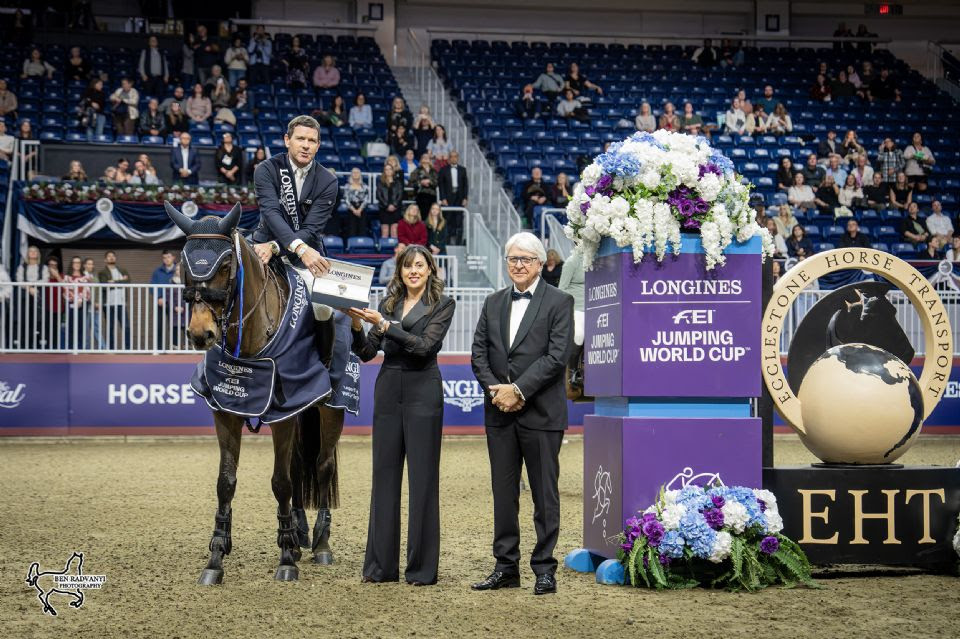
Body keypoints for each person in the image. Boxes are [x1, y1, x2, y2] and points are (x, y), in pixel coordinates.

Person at [470, 232, 574, 596]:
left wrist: (517, 390)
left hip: (542, 414)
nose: (518, 265)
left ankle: (544, 568)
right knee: (503, 494)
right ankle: (506, 567)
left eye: (525, 259)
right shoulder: (492, 302)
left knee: (544, 495)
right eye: (512, 259)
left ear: (540, 263)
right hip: (499, 413)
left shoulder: (560, 301)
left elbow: (556, 356)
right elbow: (478, 354)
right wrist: (497, 392)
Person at [348, 244, 455, 585]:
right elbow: (367, 352)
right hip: (388, 391)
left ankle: (421, 569)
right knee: (384, 477)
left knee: (423, 480)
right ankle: (381, 567)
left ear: (430, 269)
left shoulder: (443, 304)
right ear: (400, 271)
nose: (413, 271)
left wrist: (384, 325)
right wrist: (356, 325)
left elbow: (425, 348)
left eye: (420, 265)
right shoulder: (388, 304)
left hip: (424, 391)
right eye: (408, 266)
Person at [251, 115, 339, 300]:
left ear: (318, 146)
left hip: (305, 255)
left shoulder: (328, 181)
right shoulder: (266, 169)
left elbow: (311, 229)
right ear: (287, 140)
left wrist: (276, 247)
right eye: (300, 138)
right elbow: (271, 213)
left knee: (323, 309)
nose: (306, 145)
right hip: (263, 247)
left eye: (312, 141)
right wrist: (298, 247)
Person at [15, 245, 48, 349]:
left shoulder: (43, 267)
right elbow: (19, 280)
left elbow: (45, 280)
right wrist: (29, 288)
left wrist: (32, 286)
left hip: (38, 296)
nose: (33, 253)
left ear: (38, 254)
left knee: (38, 320)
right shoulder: (22, 267)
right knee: (25, 319)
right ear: (27, 254)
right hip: (24, 297)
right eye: (31, 251)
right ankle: (24, 344)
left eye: (35, 251)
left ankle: (37, 345)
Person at [150, 249, 183, 349]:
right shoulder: (157, 271)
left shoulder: (179, 270)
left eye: (168, 257)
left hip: (175, 304)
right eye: (164, 258)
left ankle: (175, 347)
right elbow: (152, 286)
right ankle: (159, 348)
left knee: (175, 325)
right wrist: (159, 297)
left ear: (173, 257)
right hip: (161, 303)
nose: (166, 259)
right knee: (159, 325)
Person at [98, 251, 131, 350]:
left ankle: (128, 349)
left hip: (121, 303)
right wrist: (121, 281)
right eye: (109, 256)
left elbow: (128, 282)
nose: (111, 257)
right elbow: (104, 286)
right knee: (110, 327)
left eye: (113, 256)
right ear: (105, 259)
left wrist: (114, 282)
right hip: (108, 304)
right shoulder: (102, 272)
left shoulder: (122, 270)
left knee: (126, 326)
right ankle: (111, 349)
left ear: (115, 258)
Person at [63, 255, 92, 349]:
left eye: (78, 262)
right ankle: (71, 348)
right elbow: (66, 290)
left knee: (81, 327)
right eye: (75, 262)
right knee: (71, 326)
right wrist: (76, 299)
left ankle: (80, 349)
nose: (77, 264)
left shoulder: (86, 277)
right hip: (71, 303)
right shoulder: (67, 277)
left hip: (83, 304)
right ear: (72, 264)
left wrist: (81, 300)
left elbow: (87, 291)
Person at [438, 150, 467, 243]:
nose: (454, 158)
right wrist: (443, 198)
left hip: (459, 197)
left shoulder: (463, 170)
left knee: (459, 219)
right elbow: (441, 185)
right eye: (451, 156)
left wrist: (465, 198)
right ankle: (446, 241)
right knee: (447, 219)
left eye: (455, 156)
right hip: (448, 197)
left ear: (458, 158)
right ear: (449, 158)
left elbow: (465, 185)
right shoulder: (443, 170)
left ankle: (458, 242)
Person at [377, 163, 404, 239]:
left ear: (393, 171)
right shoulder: (380, 182)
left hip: (396, 208)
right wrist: (387, 206)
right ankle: (384, 246)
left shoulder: (398, 182)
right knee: (385, 231)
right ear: (384, 171)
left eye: (390, 169)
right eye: (386, 169)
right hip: (384, 208)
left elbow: (400, 195)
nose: (388, 171)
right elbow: (379, 195)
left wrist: (394, 205)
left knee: (394, 231)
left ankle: (394, 247)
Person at [409, 153, 439, 219]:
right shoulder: (416, 170)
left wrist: (430, 181)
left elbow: (437, 182)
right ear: (421, 160)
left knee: (431, 216)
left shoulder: (434, 171)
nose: (425, 158)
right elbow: (411, 183)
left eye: (427, 157)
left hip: (432, 195)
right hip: (420, 195)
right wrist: (421, 182)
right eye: (424, 157)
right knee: (421, 216)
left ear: (430, 160)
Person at [343, 167, 370, 238]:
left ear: (360, 174)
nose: (355, 174)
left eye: (357, 172)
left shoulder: (365, 186)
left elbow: (366, 199)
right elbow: (346, 199)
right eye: (354, 172)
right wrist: (354, 210)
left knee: (362, 228)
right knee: (352, 229)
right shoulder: (347, 186)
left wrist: (360, 209)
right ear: (351, 174)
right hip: (351, 209)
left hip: (362, 209)